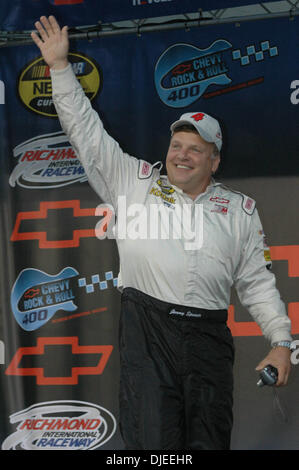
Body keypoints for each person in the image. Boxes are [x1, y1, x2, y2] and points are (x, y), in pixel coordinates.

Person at [31, 16, 293, 450]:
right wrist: (60, 68)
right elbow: (86, 133)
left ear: (214, 161)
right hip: (147, 336)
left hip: (209, 340)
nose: (182, 155)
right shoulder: (132, 181)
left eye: (196, 149)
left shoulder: (240, 211)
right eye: (176, 146)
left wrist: (281, 342)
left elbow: (257, 284)